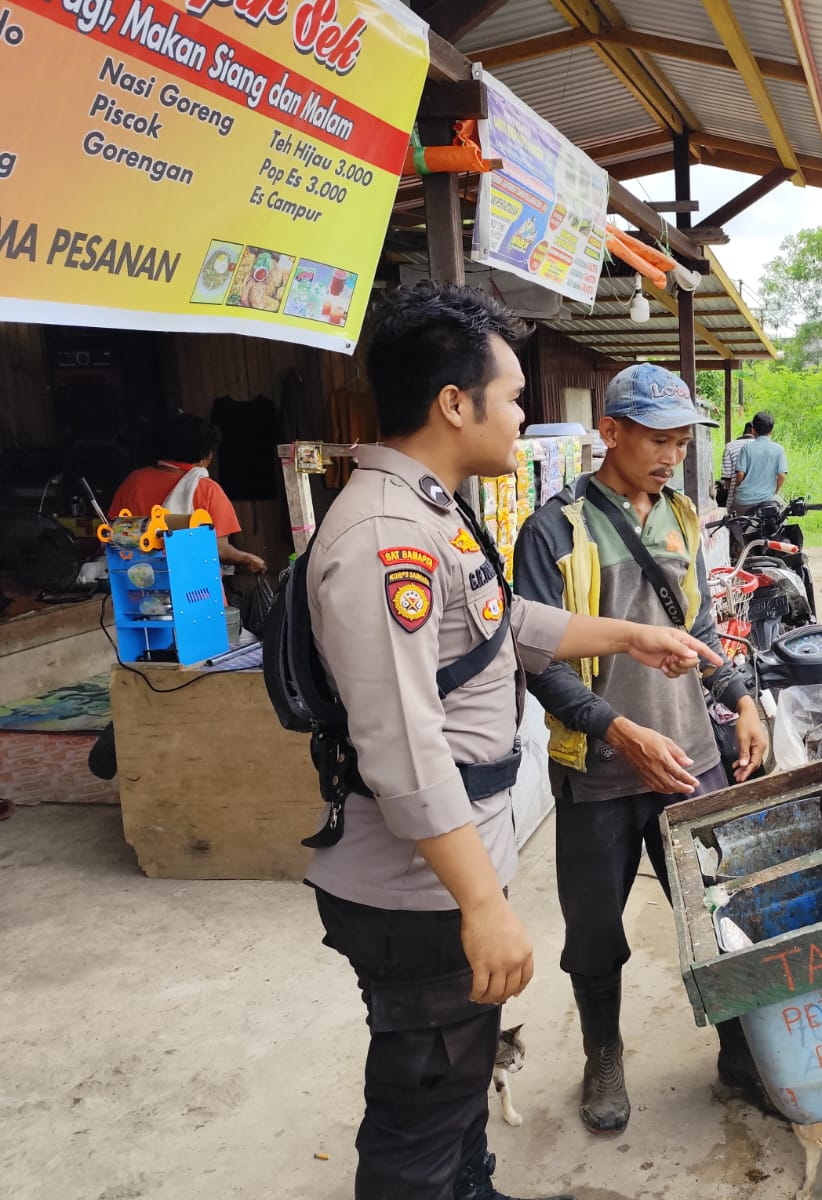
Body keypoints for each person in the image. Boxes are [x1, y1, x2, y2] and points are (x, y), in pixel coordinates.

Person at [304, 283, 717, 1200]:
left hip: (448, 876)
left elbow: (510, 622)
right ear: (455, 404)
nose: (527, 413)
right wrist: (484, 904)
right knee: (422, 1108)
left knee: (458, 1089)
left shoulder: (434, 511)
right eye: (516, 394)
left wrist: (633, 633)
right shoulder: (386, 539)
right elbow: (405, 753)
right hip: (419, 894)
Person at [512, 362, 771, 1136]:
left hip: (691, 759)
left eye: (680, 442)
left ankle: (738, 1047)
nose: (669, 456)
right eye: (655, 439)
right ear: (612, 434)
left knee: (719, 913)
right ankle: (603, 1055)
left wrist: (741, 698)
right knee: (595, 934)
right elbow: (539, 660)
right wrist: (619, 731)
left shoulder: (684, 517)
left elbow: (692, 629)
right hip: (597, 774)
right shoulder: (553, 529)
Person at [110, 413, 266, 575]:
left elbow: (114, 532)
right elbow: (220, 549)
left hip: (141, 583)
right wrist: (245, 558)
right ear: (206, 455)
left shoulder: (134, 481)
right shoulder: (207, 489)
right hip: (195, 591)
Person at [731, 410, 787, 514]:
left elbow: (740, 474)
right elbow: (782, 476)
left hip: (743, 502)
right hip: (768, 500)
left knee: (734, 522)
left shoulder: (746, 448)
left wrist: (738, 488)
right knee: (782, 517)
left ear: (753, 430)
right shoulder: (779, 449)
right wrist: (775, 492)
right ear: (771, 431)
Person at [717, 421, 754, 507]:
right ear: (754, 431)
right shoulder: (761, 446)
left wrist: (733, 492)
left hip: (735, 502)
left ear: (744, 432)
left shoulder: (730, 446)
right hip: (758, 500)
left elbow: (727, 478)